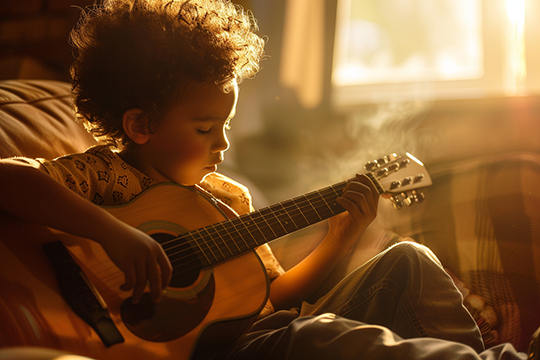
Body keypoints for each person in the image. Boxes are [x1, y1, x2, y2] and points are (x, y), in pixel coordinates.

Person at [0, 0, 535, 359]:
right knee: (320, 335)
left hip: (263, 333)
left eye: (225, 125)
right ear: (140, 126)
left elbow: (272, 296)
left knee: (408, 260)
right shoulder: (105, 176)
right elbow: (10, 179)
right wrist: (115, 234)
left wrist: (341, 237)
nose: (223, 144)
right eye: (205, 128)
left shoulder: (226, 197)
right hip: (222, 350)